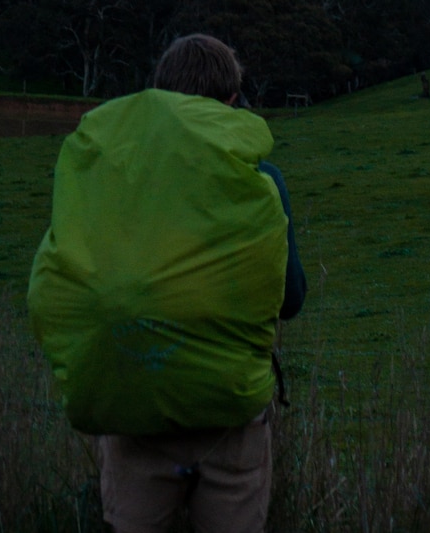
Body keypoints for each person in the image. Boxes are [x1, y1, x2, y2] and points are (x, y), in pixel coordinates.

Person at [28, 34, 307, 533]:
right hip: (230, 415)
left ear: (158, 94)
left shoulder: (110, 176)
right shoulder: (262, 178)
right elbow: (290, 300)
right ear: (231, 102)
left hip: (134, 412)